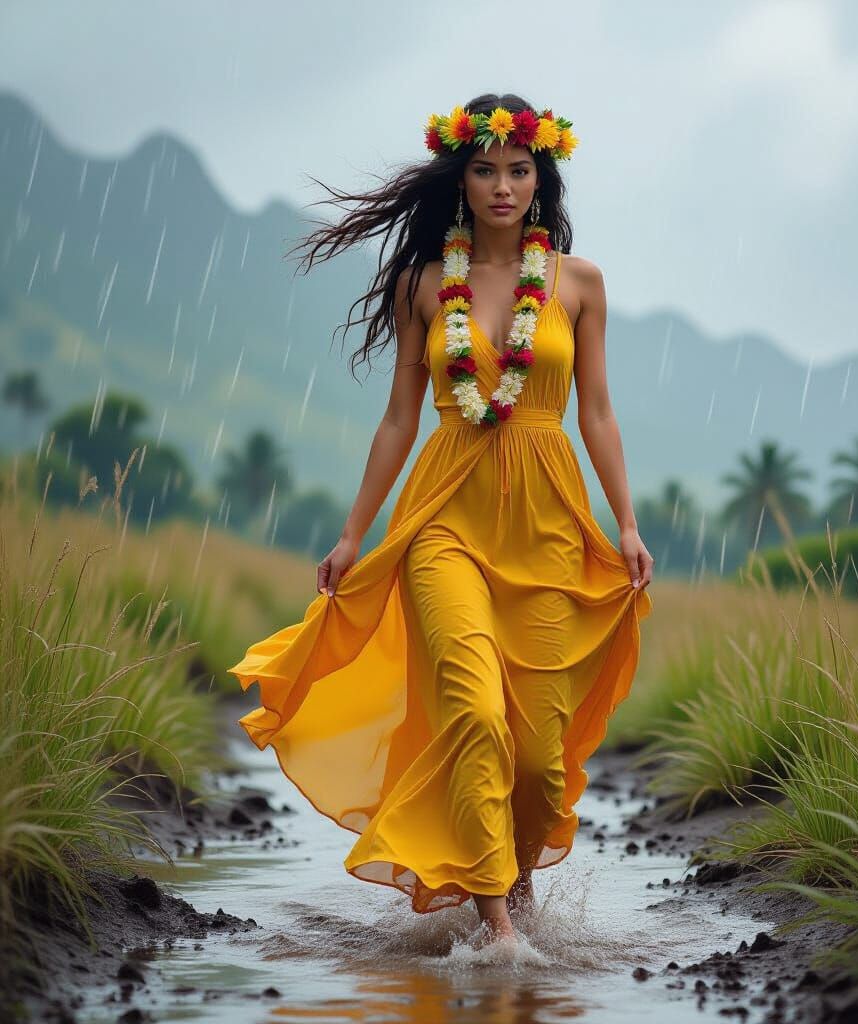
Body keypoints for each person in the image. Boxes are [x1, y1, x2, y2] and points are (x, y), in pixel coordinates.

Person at [227, 92, 655, 949]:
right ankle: (497, 928)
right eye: (486, 169)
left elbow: (598, 412)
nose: (504, 186)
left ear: (542, 177)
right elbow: (398, 417)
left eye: (520, 169)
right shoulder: (425, 285)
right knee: (473, 716)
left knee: (536, 755)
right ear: (462, 180)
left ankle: (512, 879)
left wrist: (627, 523)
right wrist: (355, 533)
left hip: (548, 524)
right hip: (445, 518)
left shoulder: (579, 284)